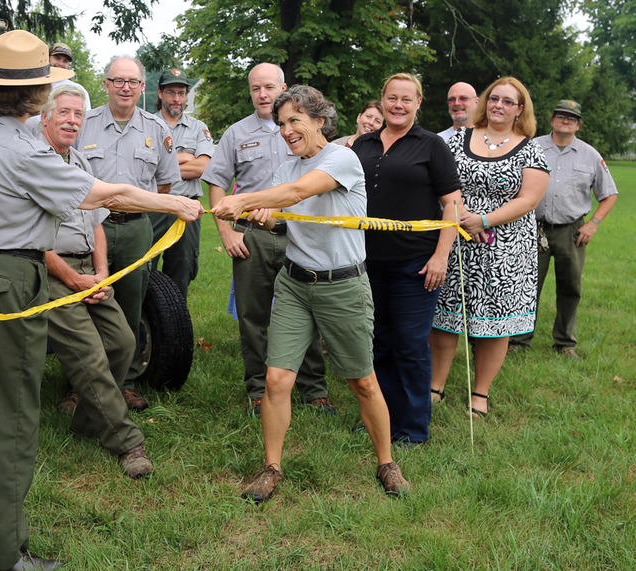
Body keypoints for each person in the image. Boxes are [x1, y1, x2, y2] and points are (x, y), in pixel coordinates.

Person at [0, 30, 202, 570]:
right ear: (35, 96)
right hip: (5, 279)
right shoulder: (23, 149)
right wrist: (174, 203)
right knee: (12, 419)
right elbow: (104, 194)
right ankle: (7, 554)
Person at [213, 85, 410, 501]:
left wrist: (244, 199)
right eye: (281, 123)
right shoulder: (287, 168)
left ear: (319, 121)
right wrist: (263, 219)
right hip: (294, 284)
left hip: (343, 286)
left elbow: (300, 193)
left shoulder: (341, 159)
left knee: (363, 382)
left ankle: (386, 462)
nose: (285, 130)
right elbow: (286, 223)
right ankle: (271, 467)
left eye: (294, 121)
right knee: (277, 378)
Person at [202, 63, 330, 416]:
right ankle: (258, 388)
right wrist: (226, 232)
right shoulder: (236, 133)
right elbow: (216, 182)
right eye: (256, 88)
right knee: (253, 315)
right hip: (253, 238)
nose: (263, 94)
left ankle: (314, 388)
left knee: (307, 310)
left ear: (282, 87)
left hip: (301, 236)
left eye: (269, 87)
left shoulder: (302, 130)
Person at [41, 83, 153, 478]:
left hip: (88, 269)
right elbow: (29, 241)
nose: (71, 120)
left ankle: (86, 421)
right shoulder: (36, 161)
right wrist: (73, 279)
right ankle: (126, 442)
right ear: (45, 117)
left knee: (123, 342)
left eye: (77, 114)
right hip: (51, 273)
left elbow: (98, 224)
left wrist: (101, 274)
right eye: (64, 113)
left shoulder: (79, 163)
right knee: (89, 354)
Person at [351, 73, 462, 445]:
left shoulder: (431, 146)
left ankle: (413, 428)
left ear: (418, 103)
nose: (398, 105)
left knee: (411, 345)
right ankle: (377, 417)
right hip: (366, 262)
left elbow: (452, 204)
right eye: (392, 98)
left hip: (416, 263)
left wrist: (440, 256)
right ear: (381, 100)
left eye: (406, 99)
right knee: (376, 341)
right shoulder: (360, 145)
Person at [430, 77, 550, 417]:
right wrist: (466, 217)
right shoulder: (458, 139)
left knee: (496, 324)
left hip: (507, 250)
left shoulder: (530, 148)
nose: (498, 105)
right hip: (455, 239)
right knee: (445, 317)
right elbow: (440, 182)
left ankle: (480, 393)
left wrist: (485, 220)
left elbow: (528, 199)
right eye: (494, 98)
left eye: (507, 101)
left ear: (520, 109)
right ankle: (435, 385)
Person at [75, 55, 182, 412]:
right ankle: (81, 385)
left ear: (142, 87)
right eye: (117, 80)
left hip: (137, 227)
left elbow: (164, 184)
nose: (125, 87)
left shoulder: (156, 129)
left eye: (132, 81)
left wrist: (138, 208)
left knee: (132, 303)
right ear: (105, 85)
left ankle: (127, 381)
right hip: (91, 228)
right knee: (85, 303)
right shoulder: (83, 126)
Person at [508, 100, 618, 359]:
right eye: (560, 115)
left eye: (571, 117)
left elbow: (609, 194)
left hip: (572, 232)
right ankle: (519, 340)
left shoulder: (590, 155)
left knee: (570, 287)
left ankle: (565, 343)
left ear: (578, 125)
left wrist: (593, 223)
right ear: (552, 120)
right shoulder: (532, 147)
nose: (565, 120)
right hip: (534, 228)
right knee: (527, 285)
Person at [150, 67, 214, 298]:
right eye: (171, 92)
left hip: (187, 208)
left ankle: (176, 326)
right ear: (160, 93)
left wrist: (161, 165)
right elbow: (141, 170)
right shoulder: (147, 124)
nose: (176, 98)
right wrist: (186, 157)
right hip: (153, 206)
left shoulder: (199, 128)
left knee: (182, 270)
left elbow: (203, 167)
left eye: (181, 93)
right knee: (143, 269)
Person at [49, 42, 92, 110]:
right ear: (48, 58)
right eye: (57, 58)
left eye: (65, 61)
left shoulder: (78, 89)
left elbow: (86, 118)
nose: (60, 63)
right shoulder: (35, 83)